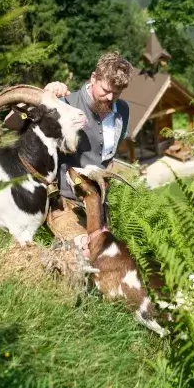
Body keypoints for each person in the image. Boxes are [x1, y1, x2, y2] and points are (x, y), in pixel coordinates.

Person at [43, 52, 133, 253]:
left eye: (117, 94)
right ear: (93, 78)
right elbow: (14, 124)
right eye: (106, 90)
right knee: (82, 255)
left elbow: (107, 158)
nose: (110, 98)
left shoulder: (123, 111)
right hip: (66, 204)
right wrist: (46, 96)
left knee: (105, 259)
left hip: (97, 204)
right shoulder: (66, 104)